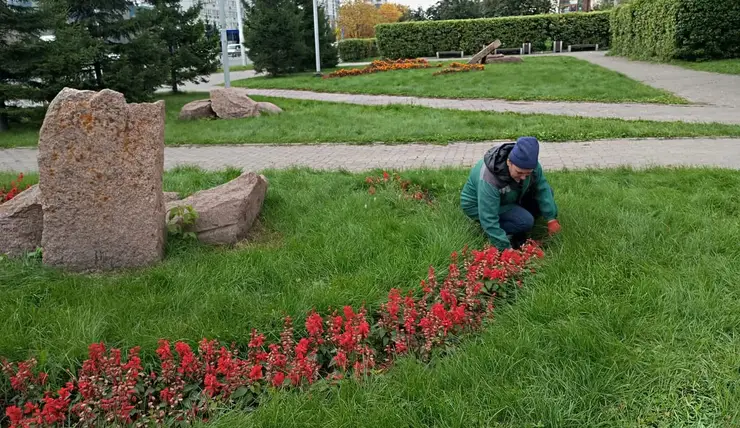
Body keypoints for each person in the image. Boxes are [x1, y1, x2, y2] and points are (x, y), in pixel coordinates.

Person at [461, 137, 561, 249]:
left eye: (527, 174)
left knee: (548, 193)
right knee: (525, 221)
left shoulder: (532, 165)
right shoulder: (489, 178)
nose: (523, 177)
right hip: (478, 205)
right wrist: (506, 248)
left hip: (508, 197)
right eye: (519, 172)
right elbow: (488, 216)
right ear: (509, 162)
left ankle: (516, 225)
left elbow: (542, 188)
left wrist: (551, 218)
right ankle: (502, 233)